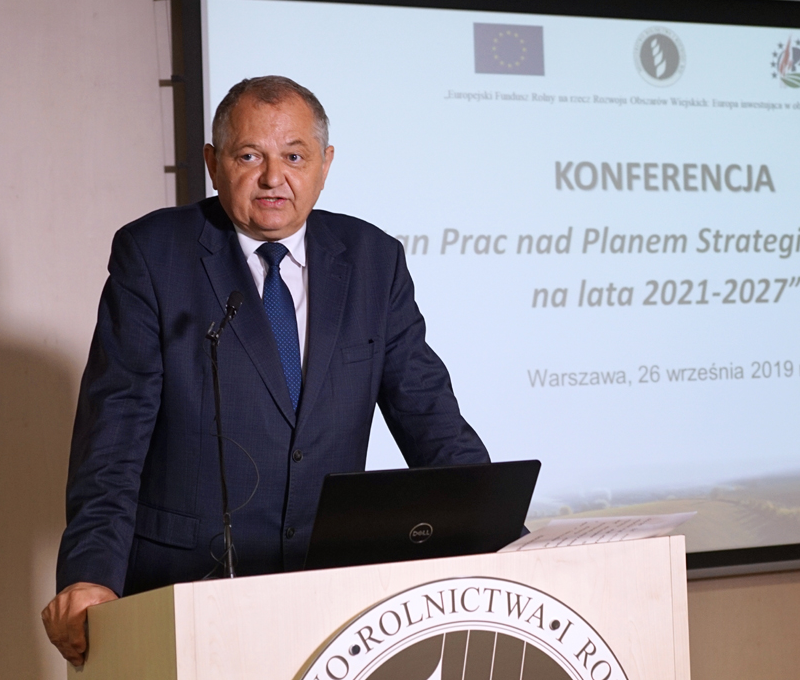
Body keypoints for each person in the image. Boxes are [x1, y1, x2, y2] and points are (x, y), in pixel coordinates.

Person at [41, 76, 490, 666]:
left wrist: (491, 524)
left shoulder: (372, 259)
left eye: (295, 157)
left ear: (325, 164)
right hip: (184, 592)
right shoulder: (154, 256)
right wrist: (90, 573)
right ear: (213, 163)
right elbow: (113, 437)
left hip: (330, 597)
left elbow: (429, 413)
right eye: (250, 156)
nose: (274, 177)